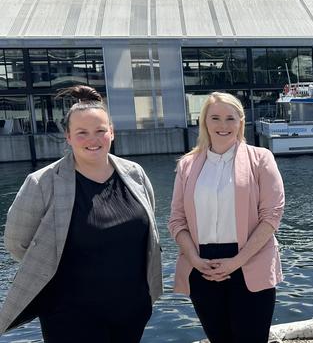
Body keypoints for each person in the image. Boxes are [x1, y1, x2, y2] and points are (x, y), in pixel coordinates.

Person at [0, 85, 162, 341]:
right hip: (69, 313)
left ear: (112, 132)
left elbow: (148, 228)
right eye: (82, 133)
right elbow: (16, 242)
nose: (92, 139)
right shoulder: (42, 182)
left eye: (100, 131)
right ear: (68, 136)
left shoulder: (134, 174)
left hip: (131, 308)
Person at [168, 92, 284, 342]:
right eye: (215, 118)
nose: (223, 125)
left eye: (230, 118)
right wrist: (195, 259)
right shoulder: (187, 165)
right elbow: (177, 220)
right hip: (202, 266)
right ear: (204, 122)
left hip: (250, 262)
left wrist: (236, 262)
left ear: (241, 122)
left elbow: (271, 217)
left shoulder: (261, 159)